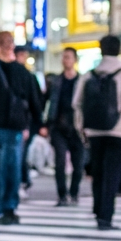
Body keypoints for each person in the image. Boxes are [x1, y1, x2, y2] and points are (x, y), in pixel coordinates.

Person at [74, 34, 121, 230]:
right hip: (118, 131)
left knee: (97, 173)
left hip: (94, 131)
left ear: (101, 49)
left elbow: (77, 104)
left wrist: (81, 129)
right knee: (112, 175)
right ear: (119, 50)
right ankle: (106, 216)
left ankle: (98, 211)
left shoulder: (89, 75)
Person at [0, 31, 42, 224]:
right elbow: (35, 103)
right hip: (13, 128)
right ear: (12, 46)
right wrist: (34, 126)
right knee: (11, 169)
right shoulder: (23, 73)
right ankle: (8, 208)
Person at [42, 47, 84, 206]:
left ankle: (74, 193)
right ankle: (62, 195)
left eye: (68, 57)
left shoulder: (82, 81)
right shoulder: (55, 81)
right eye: (64, 57)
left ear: (75, 60)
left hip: (78, 127)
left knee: (78, 164)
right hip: (58, 126)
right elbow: (46, 102)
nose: (65, 60)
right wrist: (46, 124)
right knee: (60, 162)